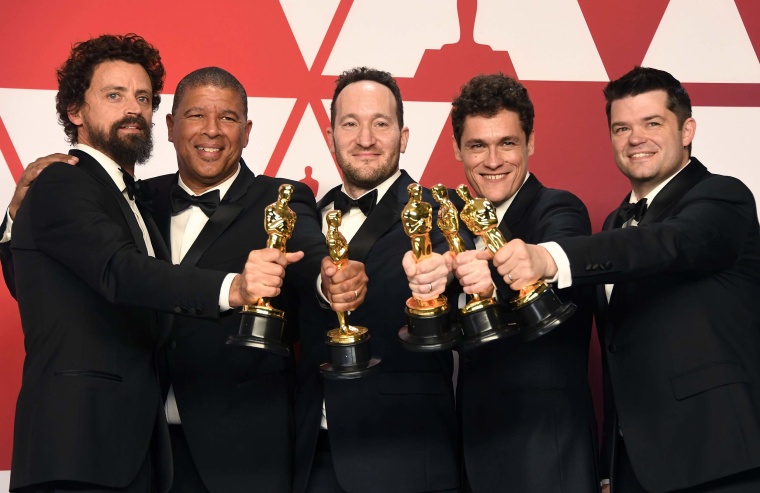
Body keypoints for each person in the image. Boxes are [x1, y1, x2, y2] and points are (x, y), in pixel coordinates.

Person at [3, 64, 367, 493]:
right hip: (137, 448)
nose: (212, 131)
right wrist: (17, 215)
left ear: (247, 130)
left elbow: (309, 256)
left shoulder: (281, 198)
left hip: (242, 454)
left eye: (228, 118)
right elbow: (47, 280)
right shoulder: (131, 196)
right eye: (196, 116)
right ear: (172, 126)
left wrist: (332, 283)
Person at [494, 66, 760, 492]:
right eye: (622, 128)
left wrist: (549, 257)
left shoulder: (723, 197)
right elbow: (620, 352)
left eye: (652, 123)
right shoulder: (616, 225)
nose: (636, 138)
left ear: (687, 129)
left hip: (718, 459)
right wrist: (608, 464)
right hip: (636, 469)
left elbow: (670, 243)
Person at [293, 67, 464, 493]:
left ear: (404, 137)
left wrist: (443, 271)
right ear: (330, 135)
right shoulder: (306, 217)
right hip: (311, 458)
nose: (365, 139)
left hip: (407, 456)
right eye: (350, 124)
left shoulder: (442, 214)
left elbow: (461, 272)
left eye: (380, 124)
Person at [448, 73, 598, 492]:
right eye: (478, 145)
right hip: (470, 449)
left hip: (548, 452)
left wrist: (489, 276)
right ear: (458, 149)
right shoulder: (451, 226)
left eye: (507, 143)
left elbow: (551, 255)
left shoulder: (560, 209)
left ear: (530, 143)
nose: (493, 160)